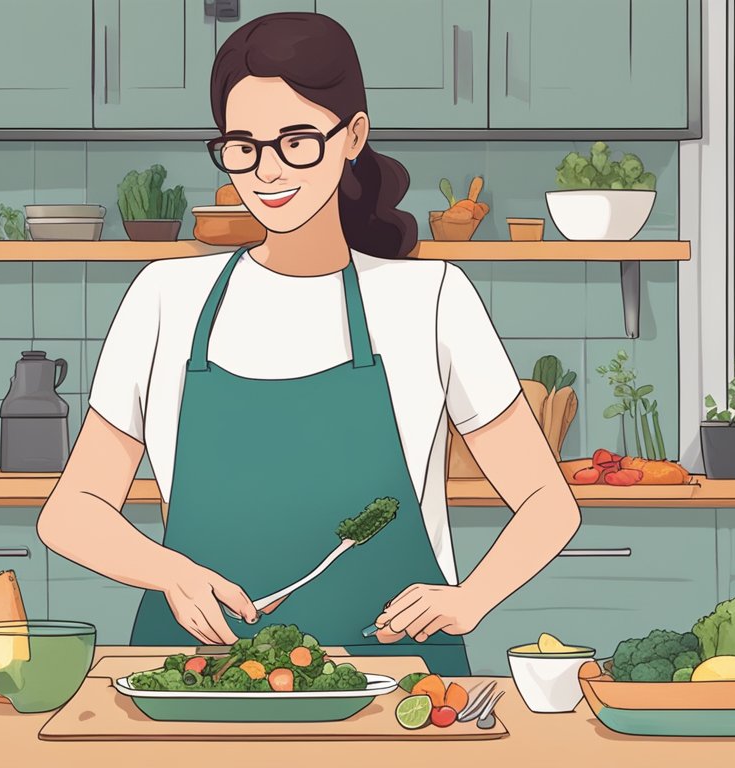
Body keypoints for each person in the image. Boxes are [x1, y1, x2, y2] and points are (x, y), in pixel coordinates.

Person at [38, 12, 580, 675]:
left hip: (393, 684)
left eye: (296, 141)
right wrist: (165, 571)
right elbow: (70, 511)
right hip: (196, 678)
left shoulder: (430, 299)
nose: (267, 171)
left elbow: (549, 502)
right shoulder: (165, 299)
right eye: (243, 146)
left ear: (353, 136)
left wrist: (472, 598)